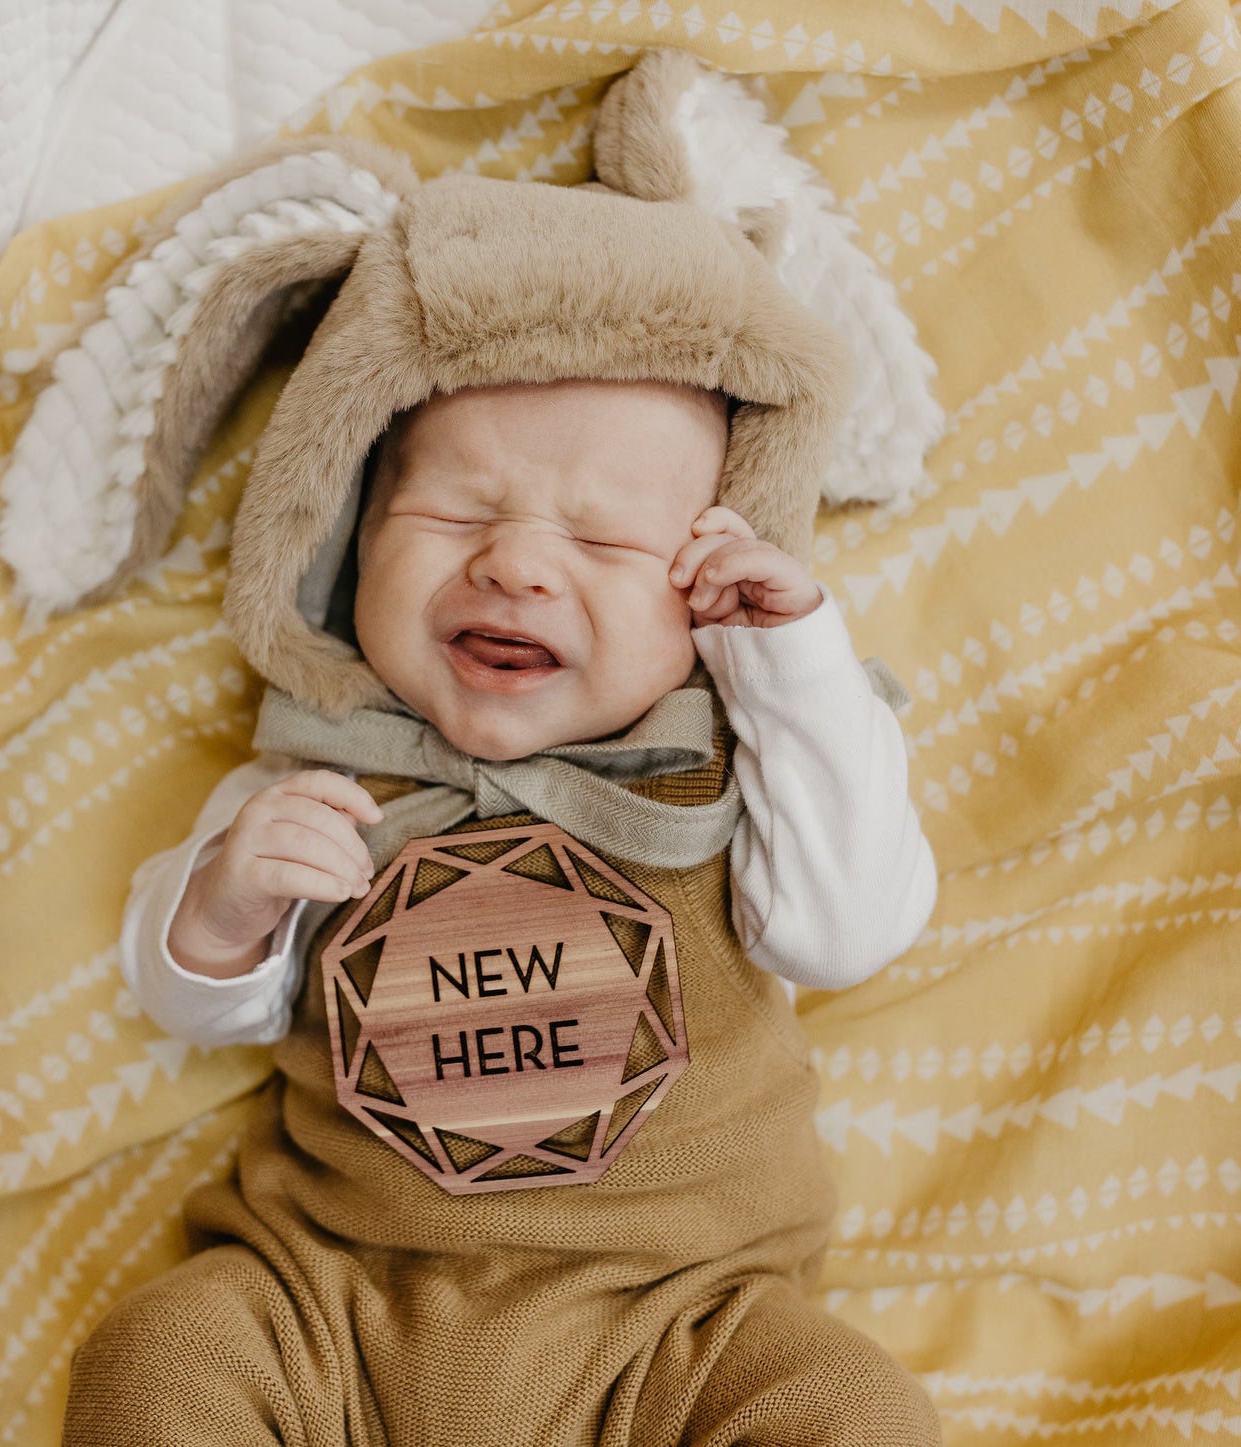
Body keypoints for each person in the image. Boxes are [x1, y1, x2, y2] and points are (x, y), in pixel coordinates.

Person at [62, 376, 942, 1446]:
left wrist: (787, 671)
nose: (515, 563)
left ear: (703, 594)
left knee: (860, 1418)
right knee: (157, 1356)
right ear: (352, 549)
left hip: (681, 1320)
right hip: (331, 1300)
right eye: (456, 514)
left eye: (604, 542)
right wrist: (221, 905)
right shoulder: (330, 775)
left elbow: (846, 931)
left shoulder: (717, 783)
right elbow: (195, 1003)